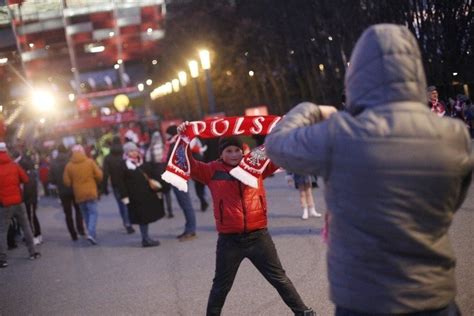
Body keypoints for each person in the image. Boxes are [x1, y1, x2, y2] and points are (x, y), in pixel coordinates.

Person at [265, 24, 472, 315]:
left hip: (364, 299)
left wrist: (311, 110)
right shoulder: (454, 135)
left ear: (357, 77)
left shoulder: (341, 134)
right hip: (434, 296)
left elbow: (275, 144)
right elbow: (452, 202)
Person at [176, 125, 314, 316]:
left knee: (279, 279)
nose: (234, 154)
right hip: (229, 241)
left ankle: (303, 312)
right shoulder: (211, 171)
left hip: (259, 237)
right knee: (221, 287)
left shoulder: (255, 167)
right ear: (221, 153)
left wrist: (284, 132)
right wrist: (185, 138)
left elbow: (277, 156)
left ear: (243, 151)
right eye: (229, 151)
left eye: (237, 150)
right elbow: (187, 164)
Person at [0, 142, 41, 268]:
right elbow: (26, 179)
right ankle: (32, 252)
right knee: (26, 226)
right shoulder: (14, 165)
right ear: (6, 151)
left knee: (2, 231)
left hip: (4, 204)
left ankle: (2, 259)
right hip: (18, 201)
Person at [116, 142, 165, 247]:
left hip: (146, 194)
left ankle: (145, 238)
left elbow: (151, 174)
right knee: (142, 218)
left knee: (145, 217)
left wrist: (159, 185)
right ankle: (145, 239)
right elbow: (120, 183)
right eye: (131, 151)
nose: (134, 153)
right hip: (134, 196)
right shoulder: (123, 165)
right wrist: (124, 196)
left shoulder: (142, 162)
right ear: (127, 153)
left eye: (135, 150)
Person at [63, 144, 103, 245]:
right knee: (93, 213)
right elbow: (99, 175)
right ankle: (91, 233)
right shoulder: (90, 162)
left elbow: (66, 182)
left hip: (79, 194)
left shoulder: (69, 165)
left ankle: (91, 233)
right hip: (91, 192)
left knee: (85, 214)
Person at [165, 125, 197, 241]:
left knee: (186, 205)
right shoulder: (175, 143)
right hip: (176, 179)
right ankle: (188, 229)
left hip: (179, 179)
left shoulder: (177, 144)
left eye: (167, 134)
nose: (166, 136)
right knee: (184, 205)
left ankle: (191, 230)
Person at [49, 145, 85, 241]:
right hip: (74, 188)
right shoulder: (71, 160)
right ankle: (80, 229)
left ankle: (73, 234)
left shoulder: (53, 163)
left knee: (68, 214)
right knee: (78, 210)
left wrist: (58, 182)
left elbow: (51, 180)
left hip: (62, 192)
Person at [102, 136, 135, 233]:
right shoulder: (125, 155)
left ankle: (127, 223)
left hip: (116, 184)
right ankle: (131, 220)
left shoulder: (107, 158)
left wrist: (104, 188)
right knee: (128, 202)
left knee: (121, 205)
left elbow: (105, 173)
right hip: (128, 183)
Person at [145, 131, 174, 218]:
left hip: (155, 173)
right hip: (165, 172)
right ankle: (170, 211)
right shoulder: (165, 147)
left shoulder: (150, 149)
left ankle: (162, 211)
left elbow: (147, 162)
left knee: (159, 193)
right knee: (167, 192)